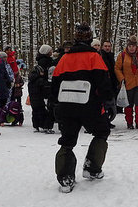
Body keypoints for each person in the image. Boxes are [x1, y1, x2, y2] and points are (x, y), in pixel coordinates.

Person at [52, 23, 113, 193]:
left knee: (67, 141)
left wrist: (56, 105)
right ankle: (92, 168)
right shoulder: (94, 57)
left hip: (66, 105)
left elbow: (54, 85)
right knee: (101, 132)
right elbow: (104, 84)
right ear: (89, 38)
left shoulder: (64, 58)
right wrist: (107, 101)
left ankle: (65, 178)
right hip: (90, 106)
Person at [114, 36, 138, 130]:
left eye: (133, 46)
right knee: (128, 104)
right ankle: (129, 122)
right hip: (127, 83)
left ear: (136, 46)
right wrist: (122, 79)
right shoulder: (122, 55)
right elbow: (117, 68)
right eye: (130, 46)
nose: (131, 48)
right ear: (127, 46)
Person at [28, 44, 55, 133]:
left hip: (36, 89)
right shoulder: (46, 62)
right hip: (43, 87)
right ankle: (46, 125)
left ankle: (37, 124)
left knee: (37, 107)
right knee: (46, 107)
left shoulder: (39, 63)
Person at [100, 40, 118, 128]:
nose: (107, 48)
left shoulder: (111, 56)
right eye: (105, 46)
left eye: (109, 46)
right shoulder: (101, 56)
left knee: (110, 104)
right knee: (105, 104)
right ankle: (104, 121)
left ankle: (107, 121)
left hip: (112, 83)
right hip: (104, 83)